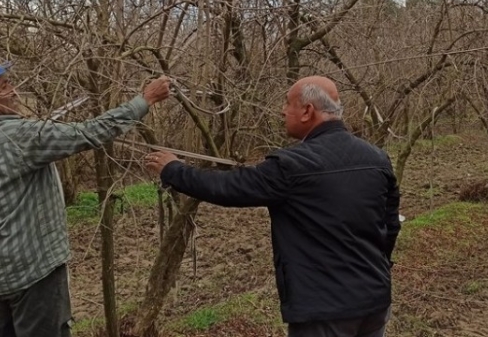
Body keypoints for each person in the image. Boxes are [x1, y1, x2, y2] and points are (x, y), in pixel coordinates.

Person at [145, 76, 401, 337]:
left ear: (307, 111)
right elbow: (390, 226)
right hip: (375, 302)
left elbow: (230, 188)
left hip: (324, 312)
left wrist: (173, 169)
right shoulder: (377, 158)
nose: (281, 110)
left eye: (287, 103)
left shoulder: (292, 165)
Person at [0, 61, 171, 337]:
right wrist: (145, 100)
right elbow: (88, 133)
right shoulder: (21, 137)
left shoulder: (23, 136)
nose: (14, 92)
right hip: (34, 276)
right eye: (5, 86)